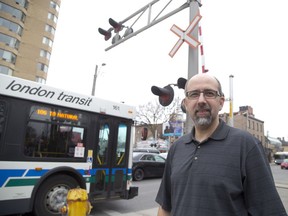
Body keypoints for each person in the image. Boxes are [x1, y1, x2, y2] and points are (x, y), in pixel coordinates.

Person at [155, 73, 287, 216]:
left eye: (209, 93)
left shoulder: (246, 145)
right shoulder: (177, 147)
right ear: (186, 103)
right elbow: (165, 207)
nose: (201, 100)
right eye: (193, 94)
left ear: (221, 102)